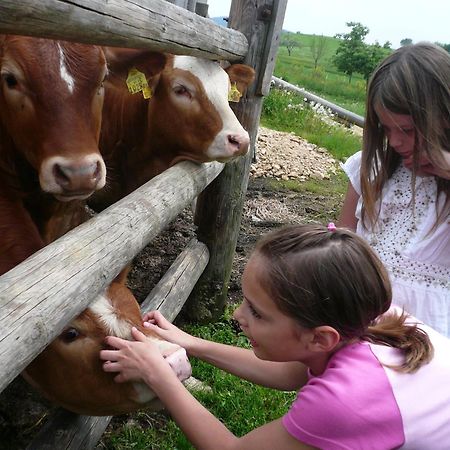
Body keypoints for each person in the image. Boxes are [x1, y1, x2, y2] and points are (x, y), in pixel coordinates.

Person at [100, 224, 450, 450]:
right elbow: (288, 375)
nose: (237, 316)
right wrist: (191, 342)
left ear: (320, 339)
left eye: (256, 311)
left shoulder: (345, 402)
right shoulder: (367, 317)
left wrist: (159, 377)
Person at [339, 42, 450, 337]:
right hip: (363, 310)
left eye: (408, 130)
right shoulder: (370, 166)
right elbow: (344, 239)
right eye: (386, 129)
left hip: (428, 327)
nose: (396, 141)